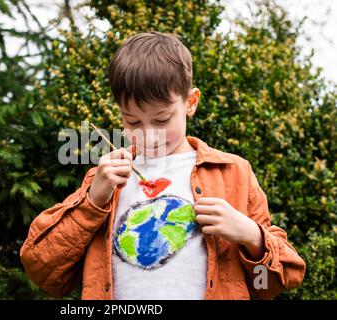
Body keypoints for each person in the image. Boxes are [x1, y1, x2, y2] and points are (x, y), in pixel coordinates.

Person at [20, 31, 306, 300]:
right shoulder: (104, 179)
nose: (147, 133)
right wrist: (93, 199)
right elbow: (43, 270)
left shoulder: (234, 173)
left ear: (190, 102)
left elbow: (270, 285)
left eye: (161, 120)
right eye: (132, 121)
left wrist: (251, 236)